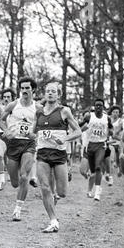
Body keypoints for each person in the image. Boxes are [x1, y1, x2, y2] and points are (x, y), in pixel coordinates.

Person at [32, 82, 81, 233]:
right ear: (44, 94)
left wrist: (65, 139)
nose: (50, 94)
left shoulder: (64, 111)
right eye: (47, 91)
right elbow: (33, 132)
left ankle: (57, 194)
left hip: (59, 155)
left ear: (58, 95)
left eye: (53, 91)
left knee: (62, 192)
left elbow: (78, 131)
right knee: (45, 187)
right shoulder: (39, 112)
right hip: (43, 155)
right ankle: (53, 220)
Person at [0, 77, 42, 221]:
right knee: (15, 182)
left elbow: (45, 124)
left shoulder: (38, 108)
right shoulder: (13, 105)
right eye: (22, 88)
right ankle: (17, 185)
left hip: (29, 144)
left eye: (27, 88)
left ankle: (18, 209)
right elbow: (0, 119)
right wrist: (6, 130)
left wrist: (35, 134)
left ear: (33, 89)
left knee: (24, 176)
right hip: (14, 143)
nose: (24, 91)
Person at [80, 99, 113, 201]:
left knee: (98, 167)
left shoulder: (107, 118)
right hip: (90, 145)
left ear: (103, 107)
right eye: (97, 105)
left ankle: (97, 192)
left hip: (101, 145)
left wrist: (110, 134)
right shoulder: (89, 116)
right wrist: (82, 129)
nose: (98, 107)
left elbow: (111, 129)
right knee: (93, 171)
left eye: (101, 106)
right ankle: (92, 189)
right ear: (94, 107)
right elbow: (79, 126)